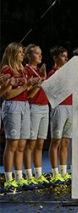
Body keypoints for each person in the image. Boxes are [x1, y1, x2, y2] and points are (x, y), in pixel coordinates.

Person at [1, 42, 34, 190]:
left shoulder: (24, 70)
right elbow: (7, 95)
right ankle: (9, 179)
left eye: (23, 52)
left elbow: (26, 93)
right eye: (20, 52)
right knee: (12, 144)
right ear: (13, 53)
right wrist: (25, 87)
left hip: (25, 106)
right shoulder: (7, 69)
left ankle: (19, 177)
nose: (23, 54)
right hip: (12, 106)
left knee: (21, 144)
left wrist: (33, 86)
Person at [23, 44, 51, 185]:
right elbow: (28, 94)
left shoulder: (39, 72)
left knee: (40, 143)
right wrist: (40, 82)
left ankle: (38, 174)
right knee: (31, 143)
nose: (40, 56)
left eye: (41, 53)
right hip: (33, 108)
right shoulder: (26, 70)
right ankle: (28, 175)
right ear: (28, 55)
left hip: (45, 107)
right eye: (37, 53)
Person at [47, 46, 72, 183]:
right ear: (55, 58)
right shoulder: (52, 73)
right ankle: (54, 172)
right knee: (56, 140)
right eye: (63, 56)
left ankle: (63, 172)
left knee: (66, 141)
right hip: (59, 108)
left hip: (71, 107)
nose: (66, 58)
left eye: (66, 55)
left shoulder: (69, 73)